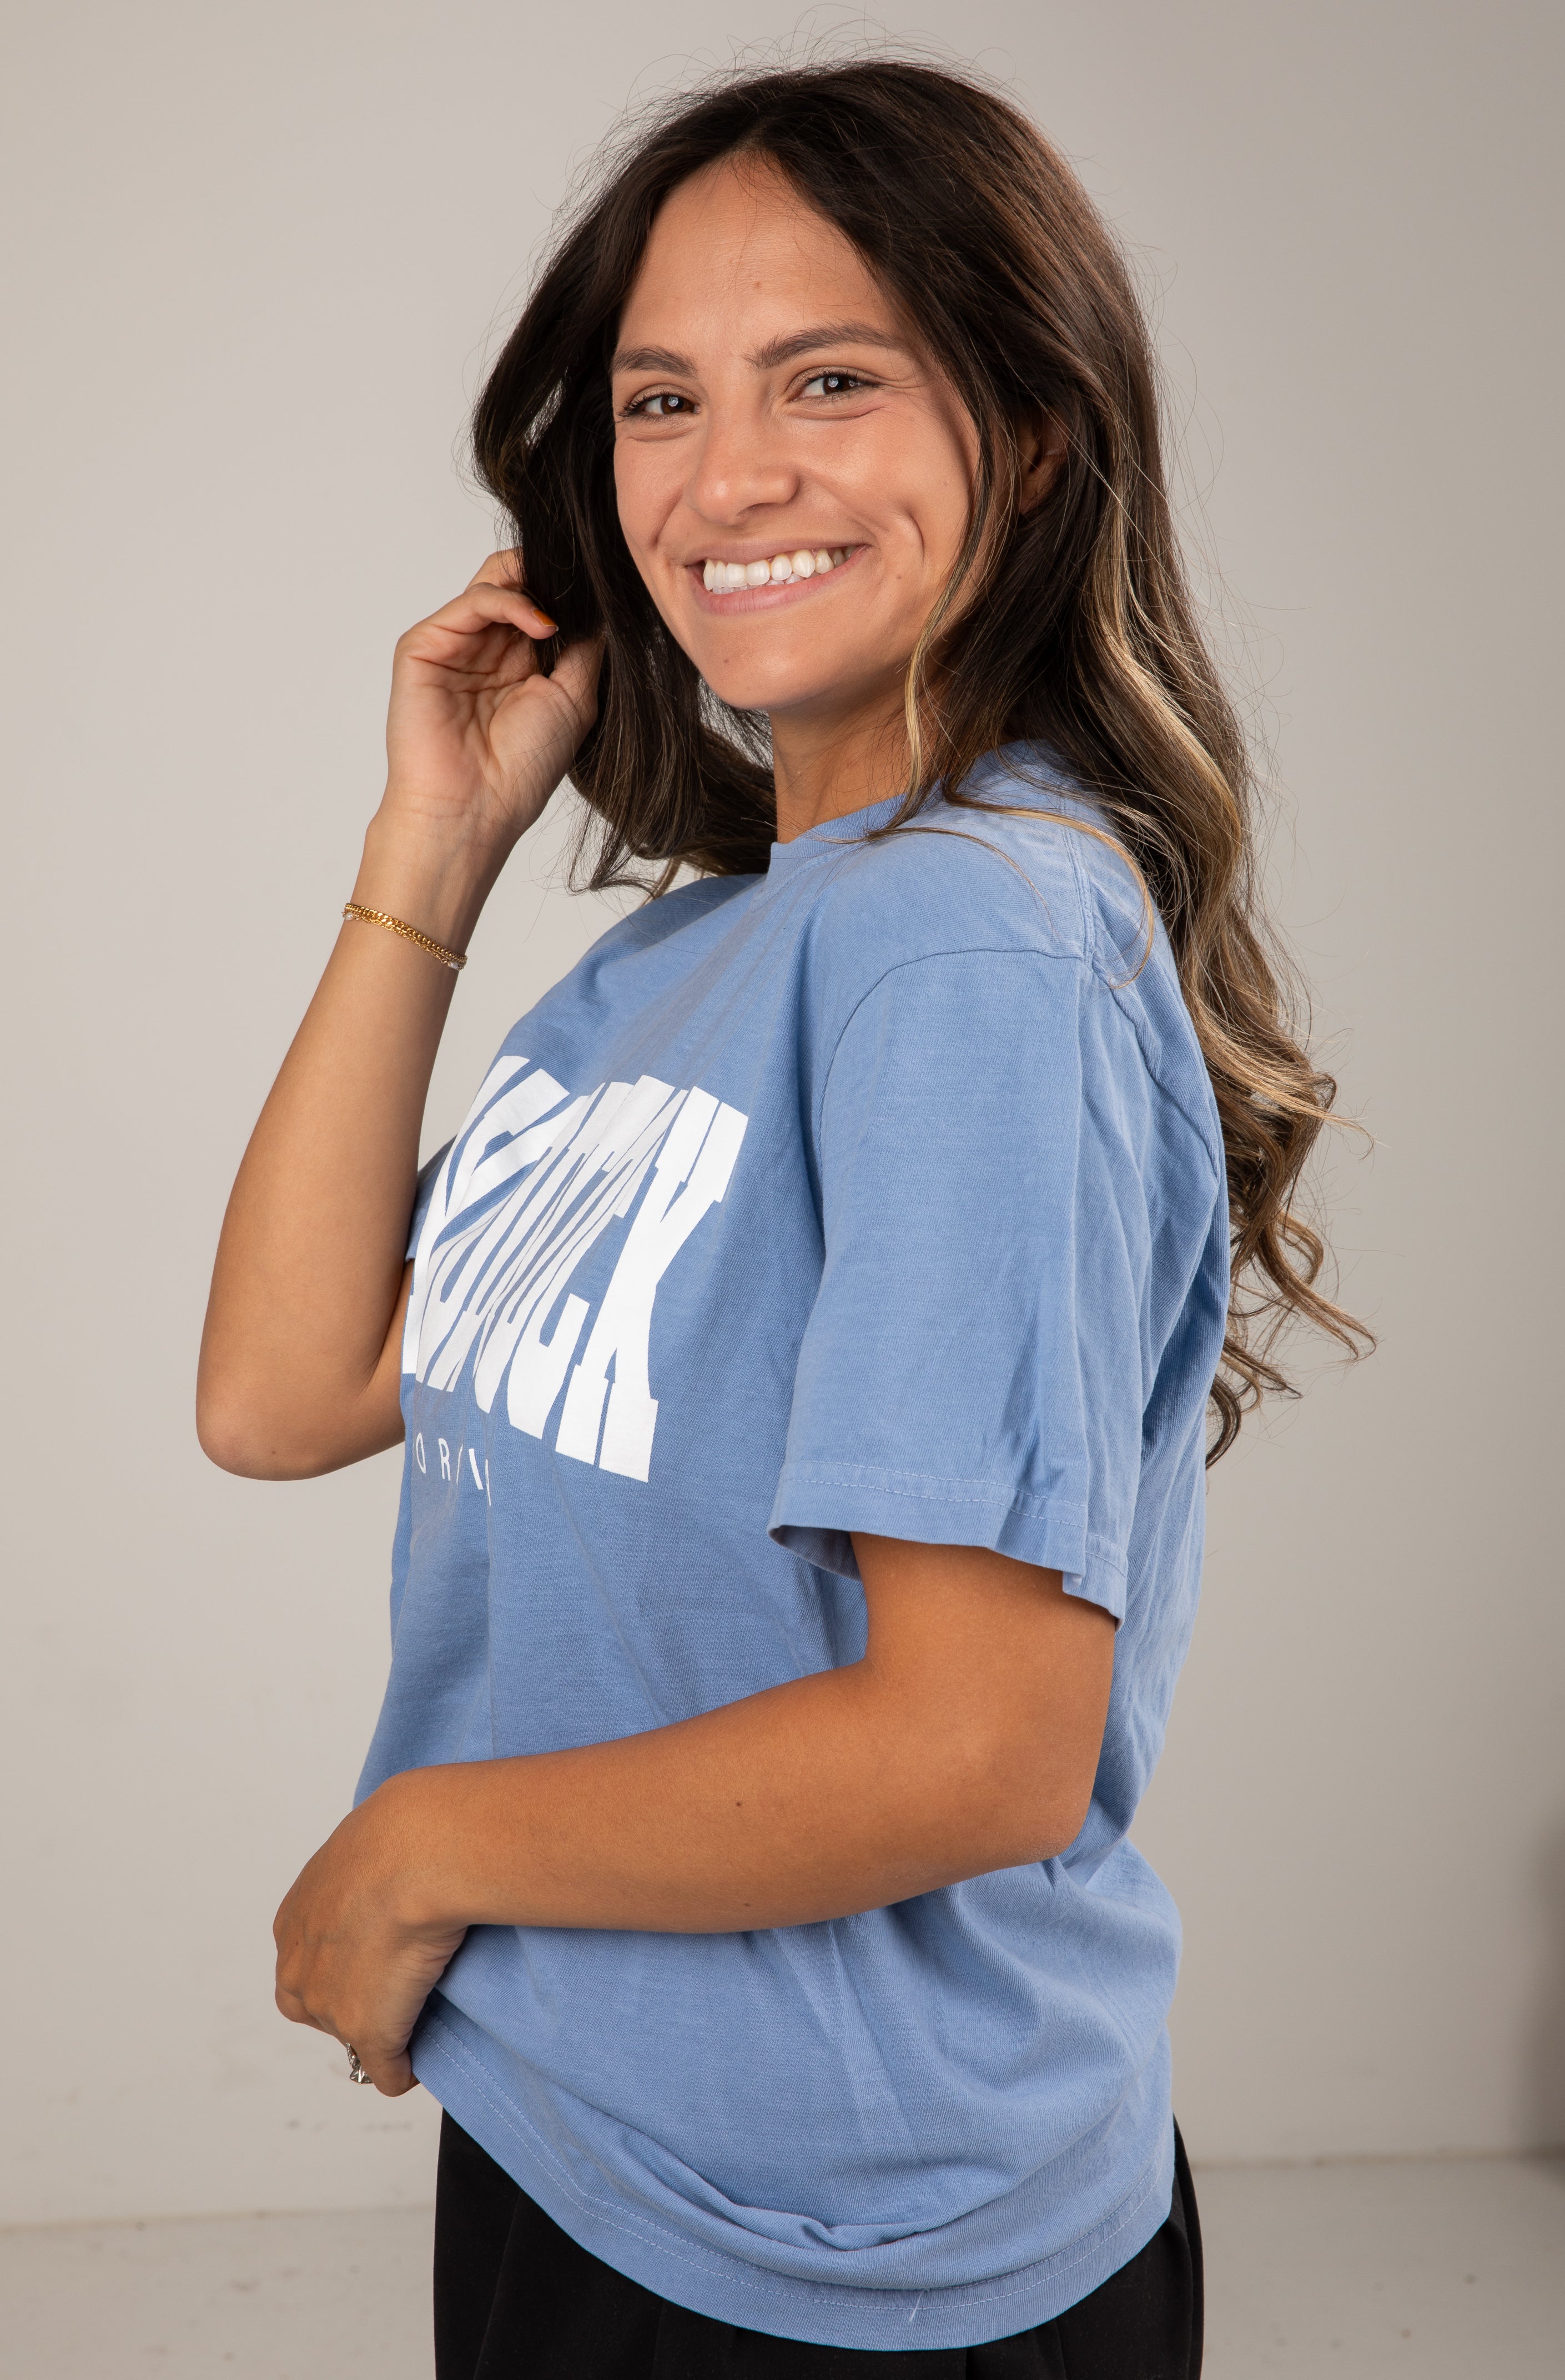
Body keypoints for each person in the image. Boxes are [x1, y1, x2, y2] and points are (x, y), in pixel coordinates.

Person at [198, 57, 1362, 2378]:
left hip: (846, 2256)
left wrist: (414, 1842)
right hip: (586, 2129)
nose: (726, 476)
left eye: (829, 378)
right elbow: (284, 1386)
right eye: (659, 400)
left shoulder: (973, 945)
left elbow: (975, 1750)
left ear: (1029, 437)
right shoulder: (697, 951)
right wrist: (430, 850)